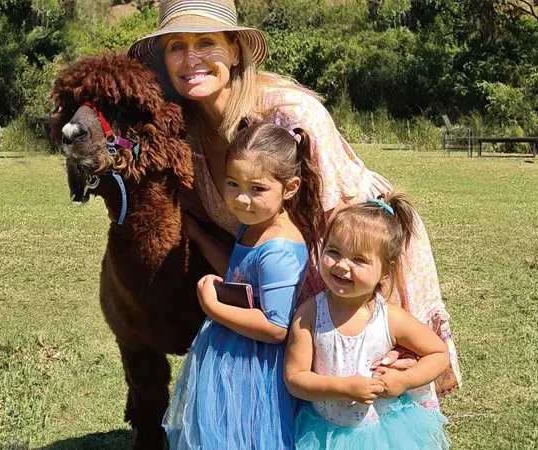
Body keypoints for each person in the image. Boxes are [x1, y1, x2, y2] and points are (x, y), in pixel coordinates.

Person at [128, 0, 462, 403]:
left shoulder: (291, 114)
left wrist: (371, 327)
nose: (191, 58)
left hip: (352, 255)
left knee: (364, 393)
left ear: (234, 50)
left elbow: (351, 224)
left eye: (206, 42)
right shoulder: (185, 130)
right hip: (280, 287)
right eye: (176, 46)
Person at [163, 123, 325, 449]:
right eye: (233, 183)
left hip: (255, 367)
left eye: (257, 189)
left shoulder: (279, 248)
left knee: (246, 434)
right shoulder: (253, 223)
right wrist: (201, 238)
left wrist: (213, 308)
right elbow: (240, 273)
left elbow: (277, 327)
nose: (241, 198)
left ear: (290, 188)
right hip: (232, 350)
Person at [285, 192, 450, 449]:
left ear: (385, 271)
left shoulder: (389, 317)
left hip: (382, 433)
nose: (341, 265)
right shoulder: (310, 314)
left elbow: (439, 353)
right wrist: (343, 388)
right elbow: (295, 379)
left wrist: (405, 380)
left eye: (359, 259)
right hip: (324, 433)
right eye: (334, 251)